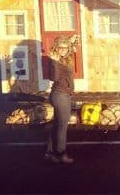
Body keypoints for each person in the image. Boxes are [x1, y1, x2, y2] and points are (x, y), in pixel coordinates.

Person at [44, 35, 78, 164]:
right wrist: (54, 62)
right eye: (60, 48)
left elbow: (69, 46)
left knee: (57, 125)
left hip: (61, 95)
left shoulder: (65, 58)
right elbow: (54, 77)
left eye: (65, 48)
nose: (63, 50)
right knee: (62, 127)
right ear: (56, 48)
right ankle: (61, 154)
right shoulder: (55, 61)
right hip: (60, 96)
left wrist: (71, 41)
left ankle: (50, 152)